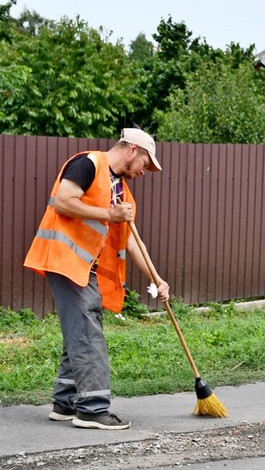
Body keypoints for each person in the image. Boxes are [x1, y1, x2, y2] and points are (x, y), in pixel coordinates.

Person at [24, 128, 170, 431]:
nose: (145, 171)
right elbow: (63, 201)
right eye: (146, 162)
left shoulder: (121, 190)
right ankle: (92, 409)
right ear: (131, 150)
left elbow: (131, 242)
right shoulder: (88, 163)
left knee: (80, 332)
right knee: (89, 333)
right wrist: (108, 214)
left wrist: (157, 279)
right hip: (64, 260)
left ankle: (65, 403)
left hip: (81, 267)